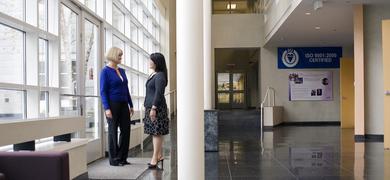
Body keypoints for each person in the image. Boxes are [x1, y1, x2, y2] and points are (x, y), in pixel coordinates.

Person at [100, 47, 134, 166]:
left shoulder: (122, 71)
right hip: (112, 105)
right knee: (112, 132)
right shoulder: (105, 71)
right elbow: (103, 91)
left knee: (126, 130)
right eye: (119, 55)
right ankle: (114, 159)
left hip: (124, 104)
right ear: (113, 56)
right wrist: (106, 108)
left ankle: (122, 158)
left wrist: (131, 105)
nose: (121, 58)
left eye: (121, 55)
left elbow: (126, 89)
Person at [143, 52, 169, 169]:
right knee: (156, 132)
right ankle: (159, 155)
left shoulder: (159, 76)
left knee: (156, 133)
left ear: (156, 62)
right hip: (153, 107)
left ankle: (155, 158)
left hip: (156, 108)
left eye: (151, 60)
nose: (149, 62)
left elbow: (159, 93)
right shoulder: (155, 74)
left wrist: (153, 108)